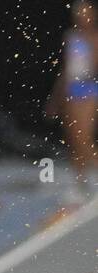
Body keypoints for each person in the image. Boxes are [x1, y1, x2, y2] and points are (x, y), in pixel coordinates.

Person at [49, 1, 98, 203]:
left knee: (84, 138)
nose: (82, 18)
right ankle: (80, 183)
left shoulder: (94, 37)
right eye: (79, 14)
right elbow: (66, 69)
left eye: (86, 14)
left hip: (89, 90)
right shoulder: (70, 37)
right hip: (71, 91)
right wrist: (55, 98)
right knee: (73, 140)